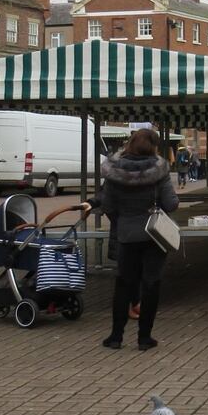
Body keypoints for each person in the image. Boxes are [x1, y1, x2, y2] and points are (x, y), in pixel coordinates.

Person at [82, 128, 178, 351]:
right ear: (154, 146)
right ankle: (144, 338)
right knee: (151, 284)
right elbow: (171, 204)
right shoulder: (159, 171)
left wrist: (121, 218)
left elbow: (107, 204)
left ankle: (116, 336)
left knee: (124, 284)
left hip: (126, 234)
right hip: (154, 235)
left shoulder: (115, 172)